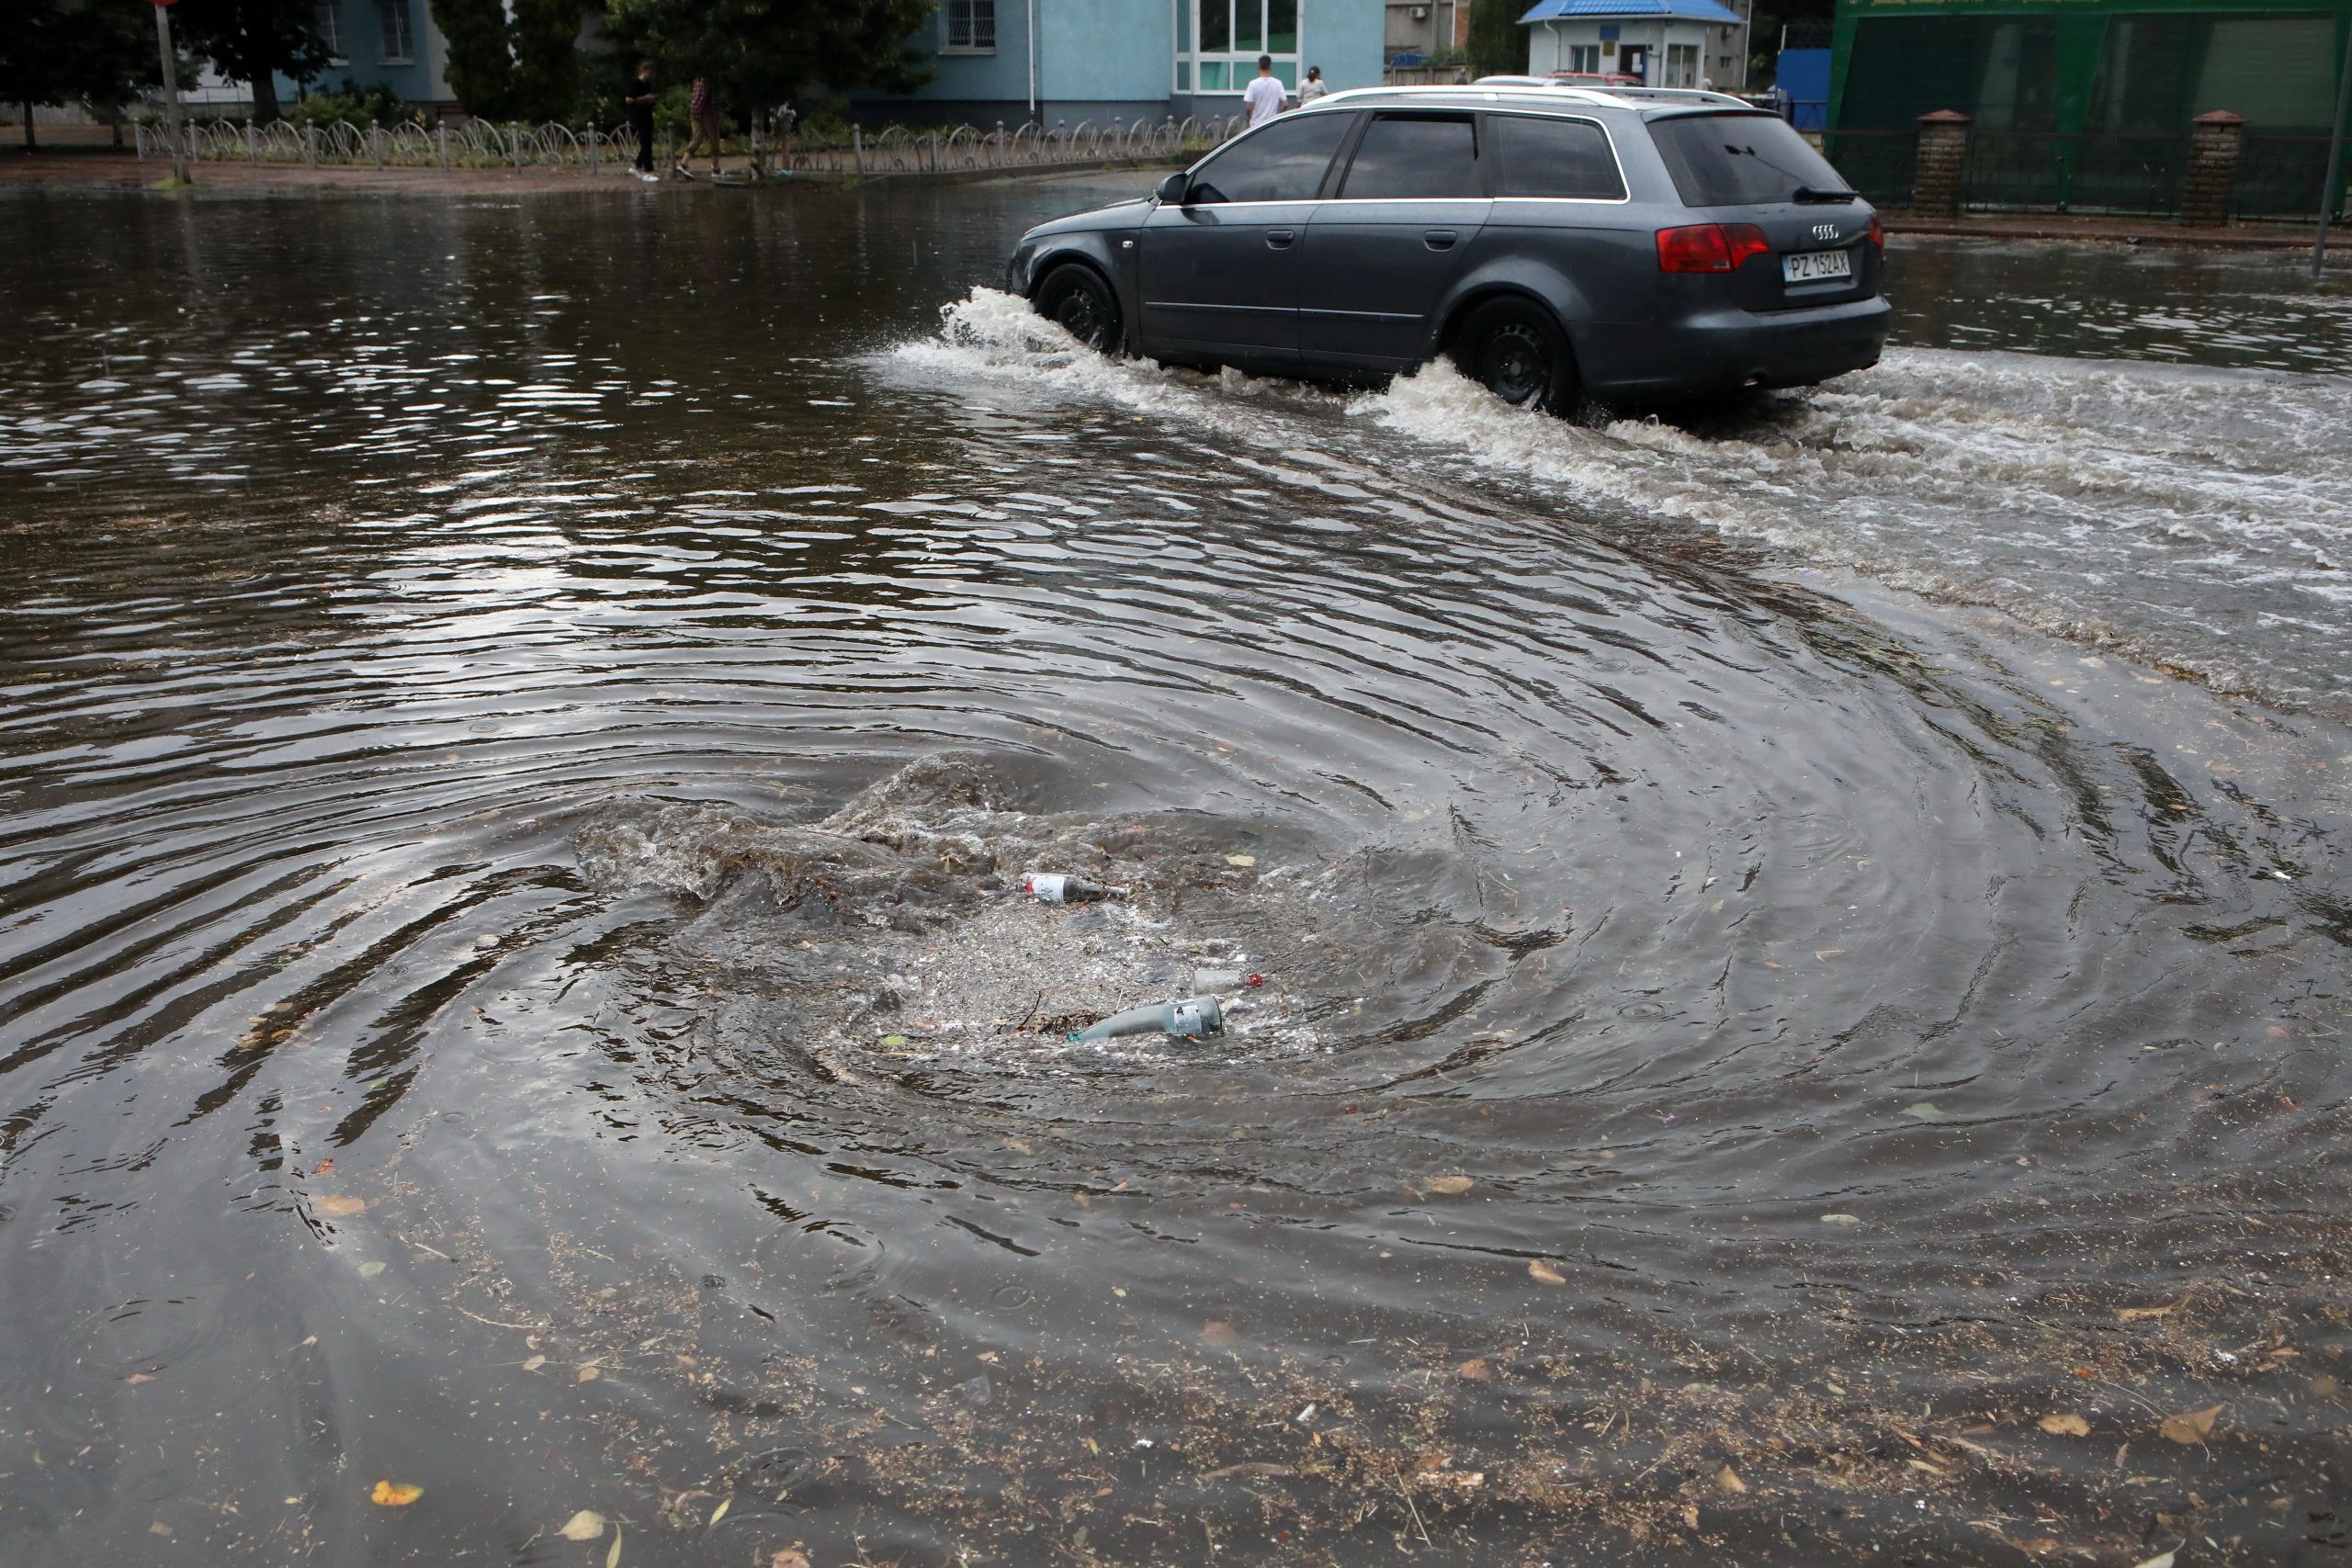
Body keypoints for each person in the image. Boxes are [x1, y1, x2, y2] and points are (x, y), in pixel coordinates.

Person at [675, 74, 720, 179]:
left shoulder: (697, 79)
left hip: (694, 112)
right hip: (707, 113)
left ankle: (683, 164)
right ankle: (716, 168)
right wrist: (716, 116)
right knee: (714, 140)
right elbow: (714, 100)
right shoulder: (712, 80)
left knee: (697, 138)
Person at [624, 61, 659, 182]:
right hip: (638, 115)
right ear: (644, 70)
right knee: (646, 143)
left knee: (647, 142)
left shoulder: (648, 84)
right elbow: (628, 99)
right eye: (650, 72)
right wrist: (644, 98)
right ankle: (647, 170)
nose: (652, 75)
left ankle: (637, 166)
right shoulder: (636, 83)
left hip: (647, 114)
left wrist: (651, 100)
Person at [1241, 54, 1285, 127]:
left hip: (1256, 124)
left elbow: (1248, 108)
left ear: (1258, 66)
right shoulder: (1278, 83)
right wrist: (1278, 116)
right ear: (1270, 67)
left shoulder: (1253, 84)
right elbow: (1285, 104)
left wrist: (1250, 118)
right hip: (1272, 123)